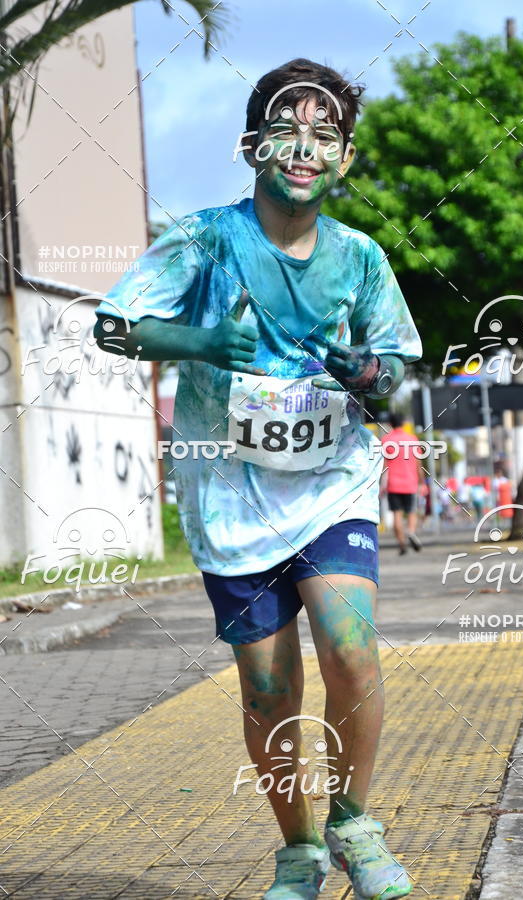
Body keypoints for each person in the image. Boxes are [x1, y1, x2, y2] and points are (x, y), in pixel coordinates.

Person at [94, 59, 421, 900]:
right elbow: (114, 324)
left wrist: (367, 375)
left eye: (324, 136)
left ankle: (354, 820)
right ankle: (301, 850)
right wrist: (198, 344)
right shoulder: (205, 238)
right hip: (228, 495)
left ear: (344, 159)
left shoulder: (360, 259)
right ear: (252, 146)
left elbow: (399, 385)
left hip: (331, 484)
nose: (303, 149)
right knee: (269, 685)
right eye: (286, 131)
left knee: (350, 647)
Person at [381, 415, 422, 554]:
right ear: (403, 423)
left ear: (390, 424)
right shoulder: (412, 439)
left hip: (393, 484)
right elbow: (418, 462)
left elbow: (383, 465)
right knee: (411, 512)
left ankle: (402, 543)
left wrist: (381, 484)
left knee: (396, 514)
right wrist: (422, 481)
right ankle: (411, 531)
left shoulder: (386, 440)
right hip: (410, 482)